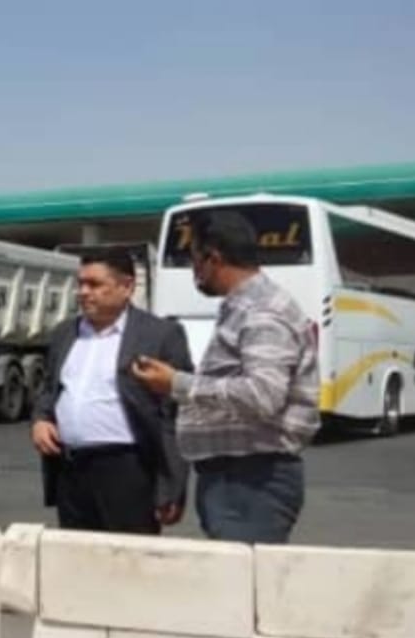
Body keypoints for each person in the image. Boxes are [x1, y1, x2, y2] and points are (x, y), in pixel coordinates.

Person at [132, 209, 320, 544]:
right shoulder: (244, 306)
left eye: (194, 261)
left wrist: (177, 383)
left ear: (213, 258)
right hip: (239, 479)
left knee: (243, 575)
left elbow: (262, 395)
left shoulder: (261, 311)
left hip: (252, 481)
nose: (194, 272)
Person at [31, 247, 192, 534]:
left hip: (128, 471)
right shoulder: (65, 334)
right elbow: (49, 389)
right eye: (80, 283)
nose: (83, 292)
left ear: (126, 287)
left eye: (95, 284)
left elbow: (176, 417)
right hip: (72, 470)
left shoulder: (160, 335)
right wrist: (41, 419)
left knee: (129, 556)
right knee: (76, 555)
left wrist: (172, 485)